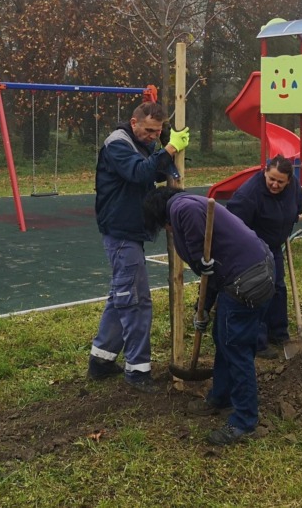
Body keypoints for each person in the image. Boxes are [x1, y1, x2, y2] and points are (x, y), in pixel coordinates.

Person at [143, 187, 275, 446]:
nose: (168, 232)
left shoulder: (182, 208)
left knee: (236, 348)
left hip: (245, 281)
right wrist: (202, 308)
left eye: (165, 229)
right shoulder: (191, 202)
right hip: (257, 271)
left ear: (164, 220)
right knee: (224, 337)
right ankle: (221, 396)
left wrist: (195, 257)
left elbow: (203, 259)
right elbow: (211, 269)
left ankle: (245, 422)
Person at [87, 102, 190, 393]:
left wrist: (169, 152)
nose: (152, 136)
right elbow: (139, 173)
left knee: (120, 296)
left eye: (157, 132)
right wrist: (168, 149)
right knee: (135, 301)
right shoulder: (117, 144)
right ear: (134, 123)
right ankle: (137, 371)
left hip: (130, 230)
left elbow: (154, 173)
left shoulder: (139, 143)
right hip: (121, 231)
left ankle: (101, 360)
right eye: (148, 130)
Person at [226, 155, 302, 359]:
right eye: (271, 179)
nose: (275, 184)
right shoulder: (248, 194)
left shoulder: (293, 186)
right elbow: (234, 225)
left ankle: (278, 333)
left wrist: (290, 220)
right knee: (260, 291)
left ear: (289, 181)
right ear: (265, 172)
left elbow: (299, 205)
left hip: (275, 245)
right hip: (252, 248)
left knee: (278, 287)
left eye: (280, 181)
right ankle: (258, 341)